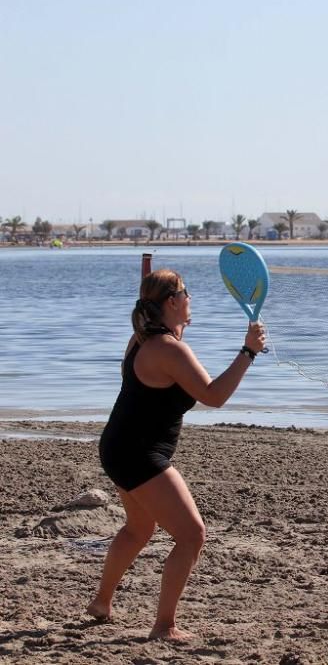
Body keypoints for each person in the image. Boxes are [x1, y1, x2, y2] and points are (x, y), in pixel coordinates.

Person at [86, 268, 266, 640]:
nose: (191, 299)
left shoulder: (143, 338)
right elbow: (214, 396)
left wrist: (175, 318)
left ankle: (101, 603)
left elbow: (174, 356)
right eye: (187, 294)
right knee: (192, 535)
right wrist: (248, 351)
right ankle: (164, 626)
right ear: (171, 302)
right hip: (138, 453)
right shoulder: (168, 349)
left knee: (138, 529)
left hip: (118, 446)